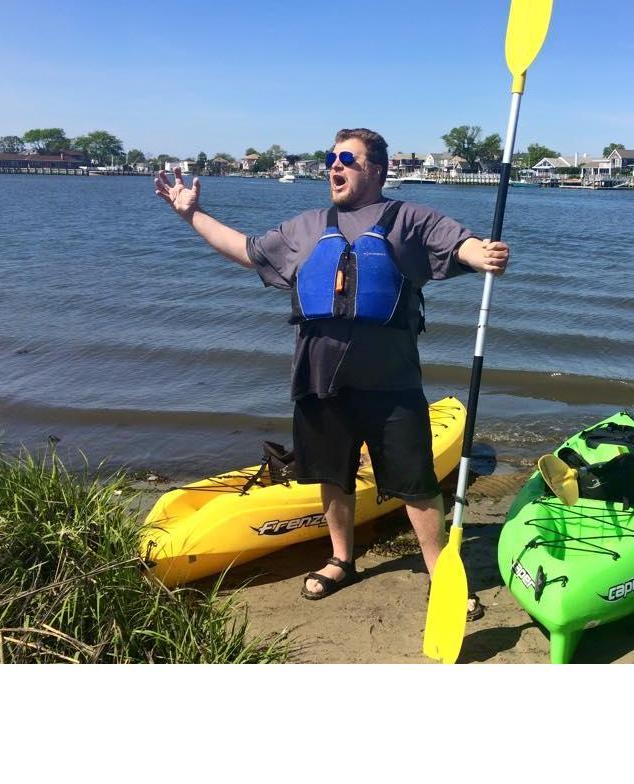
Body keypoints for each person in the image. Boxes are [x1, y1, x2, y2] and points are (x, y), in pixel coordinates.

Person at [153, 128, 508, 620]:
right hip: (319, 381)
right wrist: (191, 215)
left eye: (347, 159)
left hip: (392, 384)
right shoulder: (305, 227)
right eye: (330, 158)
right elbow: (247, 250)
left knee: (417, 484)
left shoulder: (408, 218)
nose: (333, 167)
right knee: (332, 477)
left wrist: (483, 254)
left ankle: (441, 573)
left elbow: (459, 243)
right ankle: (342, 559)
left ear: (377, 170)